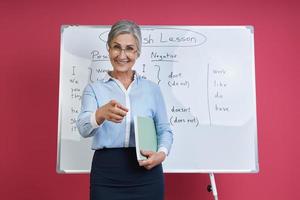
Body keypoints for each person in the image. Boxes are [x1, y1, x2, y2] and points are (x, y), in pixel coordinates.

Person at [76, 20, 173, 200]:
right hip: (107, 173)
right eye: (116, 47)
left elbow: (164, 129)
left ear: (137, 52)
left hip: (146, 172)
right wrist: (99, 115)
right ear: (108, 48)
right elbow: (83, 128)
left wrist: (161, 153)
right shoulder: (94, 89)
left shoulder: (152, 90)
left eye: (129, 48)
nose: (122, 55)